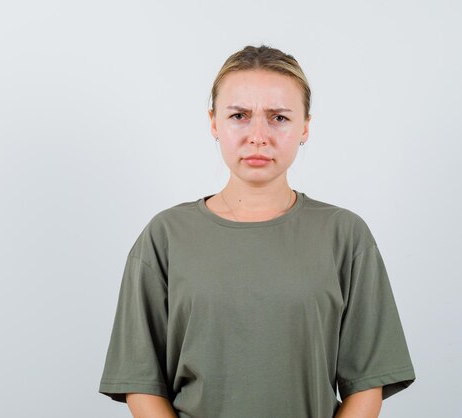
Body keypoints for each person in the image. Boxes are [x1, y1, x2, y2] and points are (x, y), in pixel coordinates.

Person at [98, 45, 416, 418]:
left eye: (279, 117)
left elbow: (367, 382)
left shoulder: (344, 235)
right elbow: (141, 382)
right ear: (214, 122)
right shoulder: (165, 236)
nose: (258, 135)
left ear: (305, 127)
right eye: (239, 115)